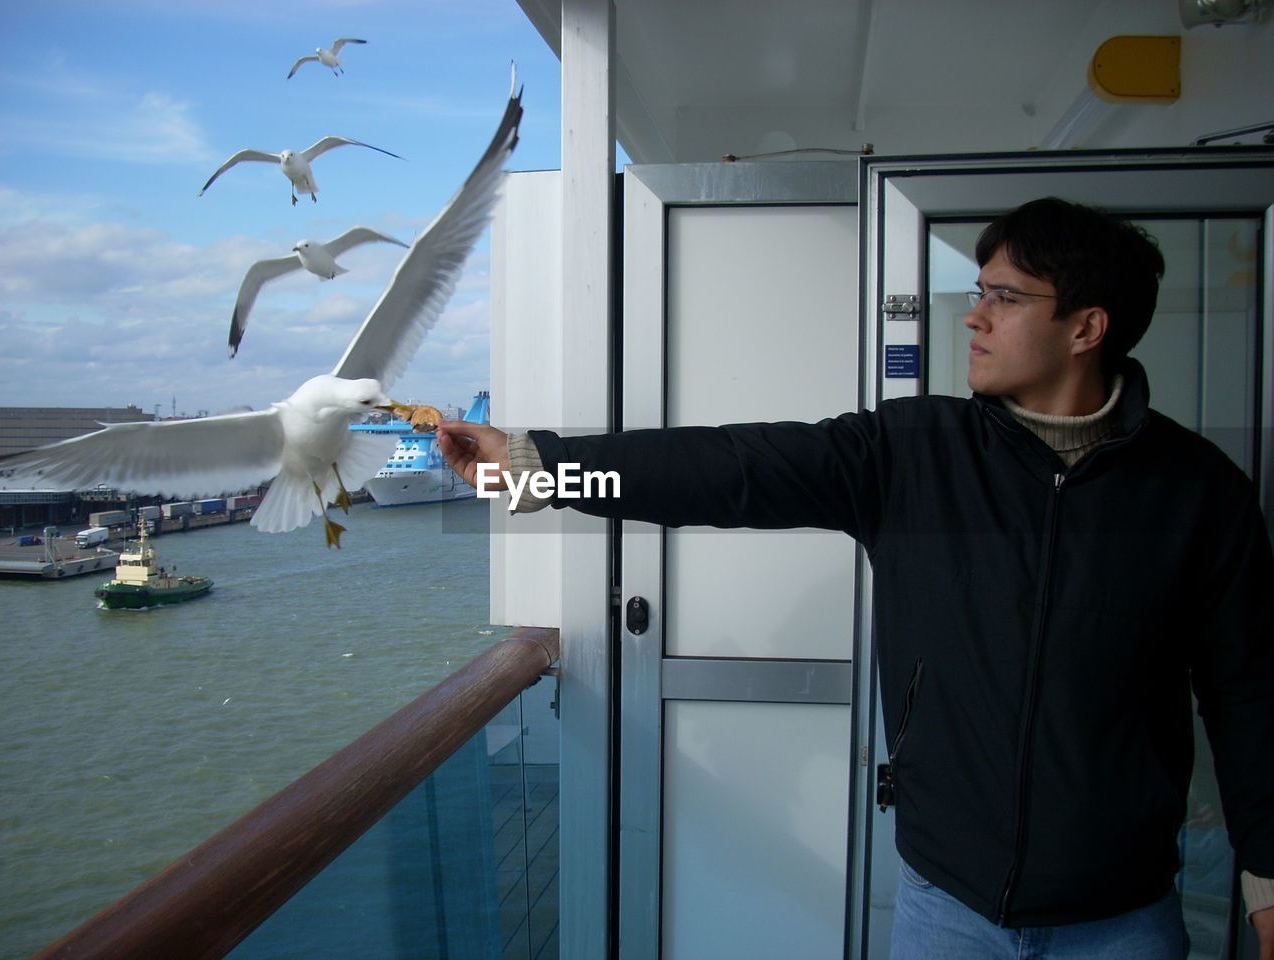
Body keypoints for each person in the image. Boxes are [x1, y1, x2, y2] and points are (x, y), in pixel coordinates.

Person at [438, 197, 1274, 959]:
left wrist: (1268, 889)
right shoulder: (915, 453)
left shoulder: (1199, 494)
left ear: (1087, 327)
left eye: (1004, 298)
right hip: (949, 907)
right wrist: (533, 467)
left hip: (1122, 921)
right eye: (978, 290)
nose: (975, 317)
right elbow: (723, 470)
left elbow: (1250, 697)